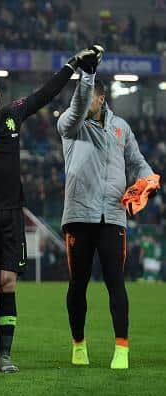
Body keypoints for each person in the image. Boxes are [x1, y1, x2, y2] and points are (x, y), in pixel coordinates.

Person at [0, 45, 104, 373]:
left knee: (7, 282)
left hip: (11, 213)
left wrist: (71, 65)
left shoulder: (12, 114)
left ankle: (4, 355)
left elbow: (44, 94)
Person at [57, 69, 160, 369]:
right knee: (78, 284)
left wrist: (148, 179)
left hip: (113, 215)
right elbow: (75, 110)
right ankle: (78, 344)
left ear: (101, 99)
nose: (81, 100)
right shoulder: (71, 123)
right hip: (78, 214)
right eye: (79, 95)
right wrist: (85, 78)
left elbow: (137, 161)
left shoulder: (121, 127)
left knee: (116, 282)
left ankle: (122, 349)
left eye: (88, 95)